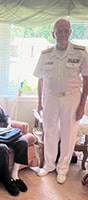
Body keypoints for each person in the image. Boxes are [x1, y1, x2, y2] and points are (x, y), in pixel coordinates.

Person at [33, 18, 88, 184]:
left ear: (70, 31)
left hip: (71, 97)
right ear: (53, 34)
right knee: (49, 131)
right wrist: (40, 102)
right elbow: (40, 79)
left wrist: (82, 105)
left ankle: (62, 168)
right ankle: (49, 165)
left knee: (68, 134)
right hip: (50, 97)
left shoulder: (80, 52)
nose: (62, 34)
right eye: (59, 31)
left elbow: (86, 80)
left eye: (66, 30)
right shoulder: (46, 54)